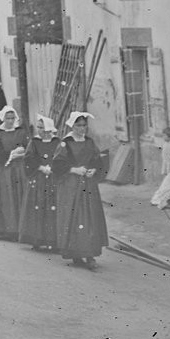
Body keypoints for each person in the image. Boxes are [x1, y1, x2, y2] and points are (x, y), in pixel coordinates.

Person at [52, 111, 109, 271]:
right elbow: (57, 164)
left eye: (84, 125)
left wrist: (94, 170)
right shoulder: (66, 143)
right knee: (75, 217)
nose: (82, 129)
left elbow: (98, 160)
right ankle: (76, 252)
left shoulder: (89, 142)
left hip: (88, 185)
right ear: (72, 125)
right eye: (78, 125)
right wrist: (73, 169)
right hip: (71, 185)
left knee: (90, 218)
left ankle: (90, 254)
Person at [18, 116, 60, 251]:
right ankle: (37, 238)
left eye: (42, 127)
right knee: (38, 205)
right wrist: (41, 168)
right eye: (38, 127)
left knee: (53, 206)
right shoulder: (34, 142)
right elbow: (29, 158)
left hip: (54, 178)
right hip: (39, 178)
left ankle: (53, 239)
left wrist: (53, 168)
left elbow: (61, 156)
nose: (40, 130)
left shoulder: (58, 142)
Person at [0, 105, 29, 240]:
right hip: (4, 169)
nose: (10, 121)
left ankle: (20, 227)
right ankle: (8, 228)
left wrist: (21, 153)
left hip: (19, 167)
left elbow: (26, 146)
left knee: (19, 194)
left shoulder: (20, 131)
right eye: (8, 118)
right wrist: (12, 153)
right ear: (3, 118)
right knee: (7, 197)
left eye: (12, 118)